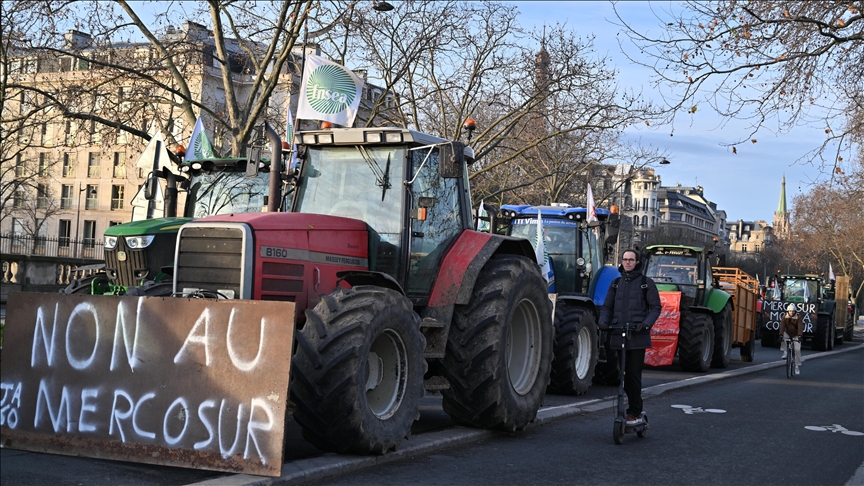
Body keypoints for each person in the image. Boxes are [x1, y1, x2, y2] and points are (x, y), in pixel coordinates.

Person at [598, 249, 662, 426]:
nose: (627, 263)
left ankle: (635, 411)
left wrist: (646, 324)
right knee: (622, 374)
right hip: (618, 333)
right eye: (625, 260)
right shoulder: (616, 283)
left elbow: (655, 307)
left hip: (637, 335)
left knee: (633, 375)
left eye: (631, 260)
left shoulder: (645, 283)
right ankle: (633, 408)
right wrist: (603, 321)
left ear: (637, 262)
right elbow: (607, 307)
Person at [780, 303, 803, 375]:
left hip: (796, 334)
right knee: (783, 337)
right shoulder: (784, 317)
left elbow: (800, 326)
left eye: (793, 311)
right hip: (788, 333)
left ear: (795, 311)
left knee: (797, 350)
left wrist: (800, 336)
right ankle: (785, 352)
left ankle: (797, 367)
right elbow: (782, 326)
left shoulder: (798, 317)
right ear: (788, 311)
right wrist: (780, 335)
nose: (791, 312)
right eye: (790, 311)